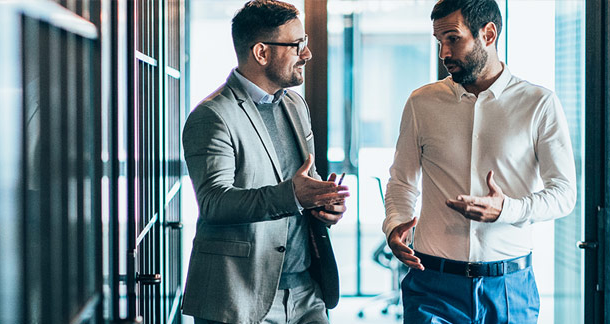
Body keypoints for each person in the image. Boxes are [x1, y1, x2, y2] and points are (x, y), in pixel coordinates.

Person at [382, 0, 577, 322]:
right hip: (432, 284)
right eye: (439, 41)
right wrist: (394, 225)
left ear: (488, 34)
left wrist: (507, 210)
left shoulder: (539, 103)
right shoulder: (422, 102)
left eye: (453, 39)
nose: (444, 52)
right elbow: (402, 180)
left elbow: (564, 195)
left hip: (509, 287)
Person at [180, 1, 349, 323]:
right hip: (240, 297)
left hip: (307, 291)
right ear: (261, 52)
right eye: (297, 44)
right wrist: (294, 195)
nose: (307, 54)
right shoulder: (213, 116)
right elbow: (214, 202)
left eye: (306, 42)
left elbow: (302, 183)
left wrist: (321, 204)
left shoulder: (295, 105)